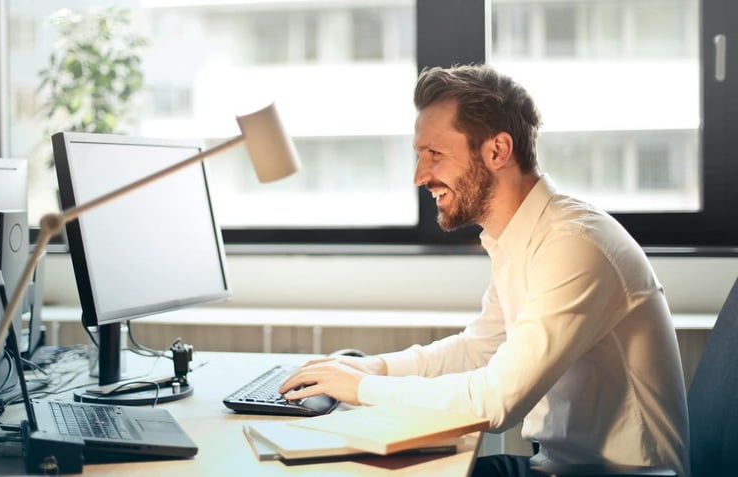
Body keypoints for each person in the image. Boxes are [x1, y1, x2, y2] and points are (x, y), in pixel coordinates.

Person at [279, 64, 690, 477]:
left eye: (435, 155)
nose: (420, 176)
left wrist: (362, 390)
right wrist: (376, 368)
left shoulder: (574, 246)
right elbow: (479, 348)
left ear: (497, 151)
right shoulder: (521, 237)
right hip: (559, 467)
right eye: (419, 156)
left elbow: (497, 402)